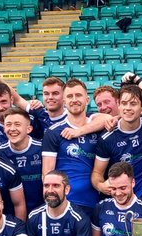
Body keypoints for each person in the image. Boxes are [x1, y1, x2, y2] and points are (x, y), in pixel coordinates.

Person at [91, 82, 142, 205]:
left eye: (133, 104)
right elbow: (97, 173)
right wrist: (100, 186)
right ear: (118, 104)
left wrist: (138, 80)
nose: (128, 108)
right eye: (124, 103)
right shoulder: (107, 138)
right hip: (120, 202)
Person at [41, 79, 102, 214]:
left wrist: (79, 131)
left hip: (94, 202)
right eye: (69, 96)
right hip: (66, 204)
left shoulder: (97, 127)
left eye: (78, 95)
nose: (74, 100)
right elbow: (47, 174)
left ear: (87, 100)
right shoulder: (53, 132)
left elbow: (112, 118)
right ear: (64, 101)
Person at [0, 107, 44, 212]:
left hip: (40, 213)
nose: (12, 129)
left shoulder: (43, 149)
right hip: (10, 215)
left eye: (17, 124)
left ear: (29, 129)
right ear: (4, 128)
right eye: (8, 125)